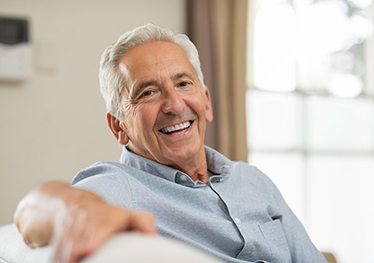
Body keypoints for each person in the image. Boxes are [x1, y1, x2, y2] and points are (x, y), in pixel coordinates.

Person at [14, 24, 327, 263]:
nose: (175, 105)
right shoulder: (118, 188)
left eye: (183, 83)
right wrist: (77, 209)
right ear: (118, 127)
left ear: (206, 102)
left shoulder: (254, 181)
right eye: (148, 92)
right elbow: (31, 212)